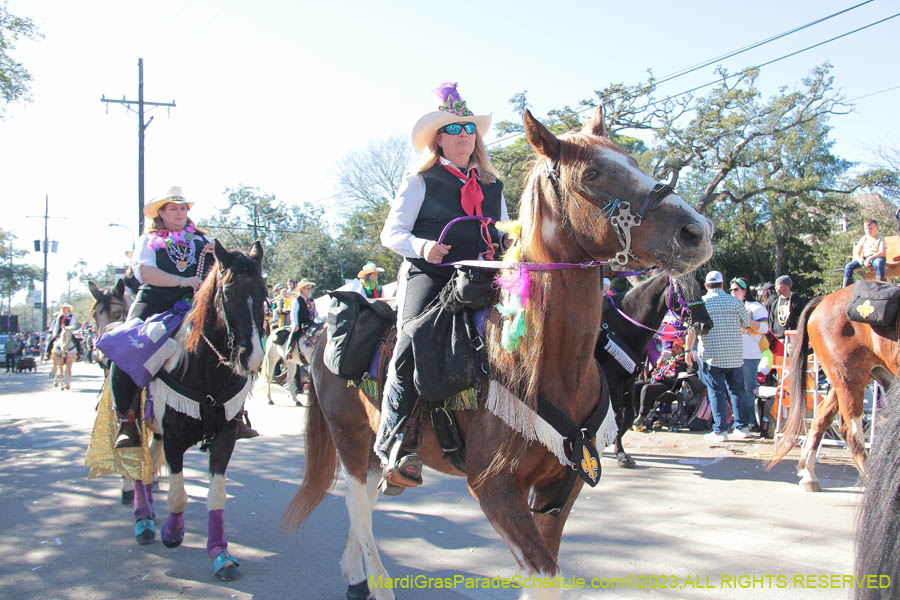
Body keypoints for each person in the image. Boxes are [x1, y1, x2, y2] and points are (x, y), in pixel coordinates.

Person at [377, 82, 509, 493]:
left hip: (485, 275)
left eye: (469, 129)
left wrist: (510, 243)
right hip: (431, 275)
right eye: (454, 130)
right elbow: (390, 233)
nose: (465, 135)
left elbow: (505, 231)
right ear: (438, 139)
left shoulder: (493, 185)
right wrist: (423, 246)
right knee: (411, 339)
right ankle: (396, 443)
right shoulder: (421, 180)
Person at [110, 186, 257, 447]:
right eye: (173, 209)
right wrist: (182, 279)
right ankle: (127, 420)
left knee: (233, 342)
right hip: (154, 302)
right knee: (125, 346)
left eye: (182, 209)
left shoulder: (203, 241)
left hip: (194, 306)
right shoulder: (148, 240)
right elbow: (144, 272)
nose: (179, 213)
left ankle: (236, 413)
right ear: (161, 214)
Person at [685, 271, 761, 442]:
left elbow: (691, 330)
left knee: (716, 392)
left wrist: (688, 350)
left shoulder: (701, 304)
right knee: (737, 391)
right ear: (722, 284)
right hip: (734, 355)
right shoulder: (734, 302)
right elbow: (748, 324)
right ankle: (741, 427)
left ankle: (720, 430)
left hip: (712, 356)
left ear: (705, 286)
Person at [730, 277, 769, 436]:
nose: (733, 292)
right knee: (734, 389)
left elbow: (765, 328)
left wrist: (747, 321)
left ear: (745, 291)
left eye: (736, 289)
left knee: (748, 389)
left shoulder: (755, 307)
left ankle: (751, 421)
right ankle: (739, 421)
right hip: (732, 353)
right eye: (731, 290)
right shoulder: (730, 305)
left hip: (749, 353)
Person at [767, 274, 804, 361]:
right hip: (777, 340)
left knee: (790, 364)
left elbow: (802, 319)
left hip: (791, 341)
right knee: (779, 367)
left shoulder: (796, 301)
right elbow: (771, 321)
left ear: (786, 286)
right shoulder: (775, 303)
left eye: (778, 284)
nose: (775, 287)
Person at [842, 219, 886, 288]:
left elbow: (882, 252)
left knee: (879, 263)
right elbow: (857, 253)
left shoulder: (880, 238)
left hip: (876, 257)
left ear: (877, 228)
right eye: (866, 229)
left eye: (871, 228)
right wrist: (860, 260)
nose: (868, 231)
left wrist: (870, 258)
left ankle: (880, 284)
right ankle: (846, 287)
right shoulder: (864, 238)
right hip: (866, 258)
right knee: (848, 266)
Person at [287, 279, 317, 356]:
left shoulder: (311, 300)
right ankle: (288, 349)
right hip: (301, 323)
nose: (310, 290)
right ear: (302, 289)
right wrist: (295, 324)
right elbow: (293, 313)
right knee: (294, 332)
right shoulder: (297, 300)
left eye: (310, 288)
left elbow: (314, 312)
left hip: (311, 322)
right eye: (308, 288)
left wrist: (317, 318)